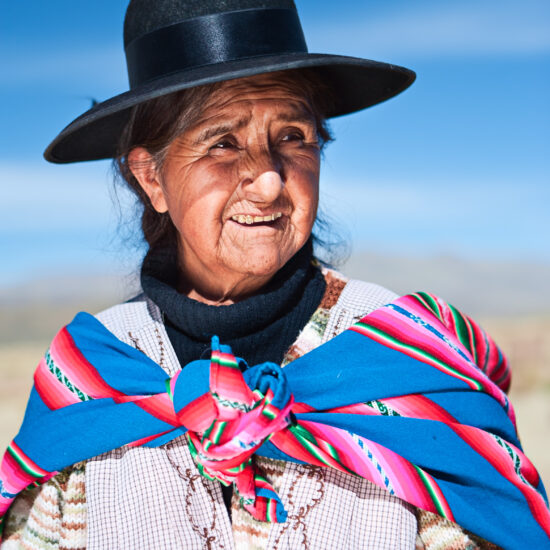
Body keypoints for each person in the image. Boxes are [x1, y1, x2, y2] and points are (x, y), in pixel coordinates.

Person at [1, 1, 548, 549]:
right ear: (153, 179)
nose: (267, 184)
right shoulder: (95, 374)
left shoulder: (407, 355)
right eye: (222, 143)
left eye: (292, 137)